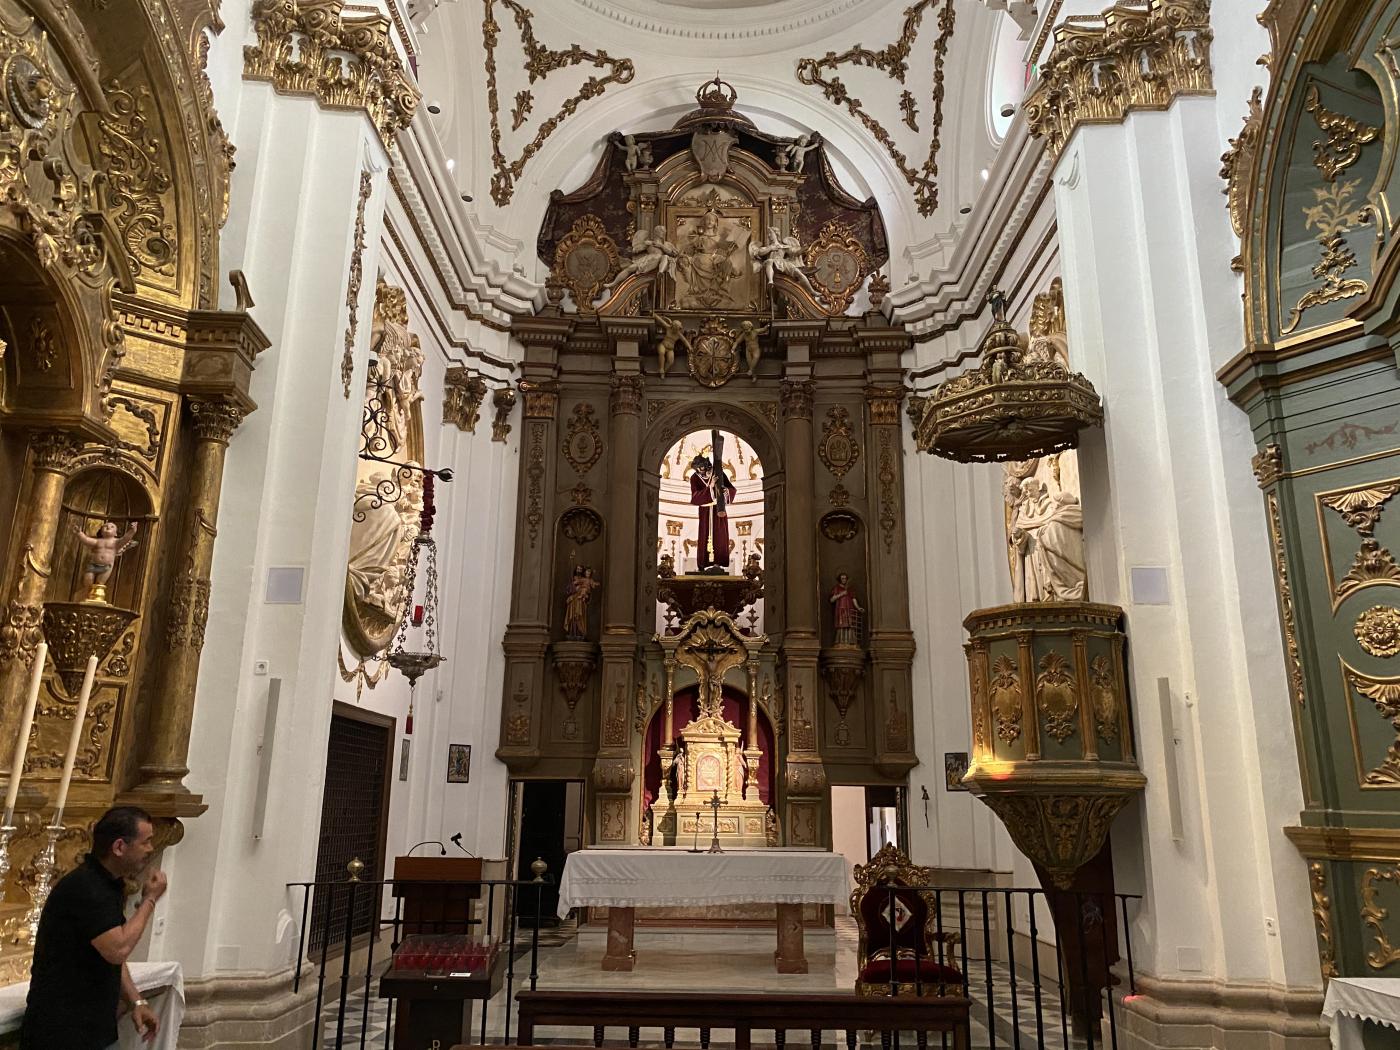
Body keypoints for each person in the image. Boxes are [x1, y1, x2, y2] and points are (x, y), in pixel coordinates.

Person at [22, 806, 167, 1049]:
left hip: (93, 1030)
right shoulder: (86, 888)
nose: (151, 850)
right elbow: (117, 949)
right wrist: (150, 899)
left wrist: (137, 1002)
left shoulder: (108, 884)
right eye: (146, 842)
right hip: (63, 1033)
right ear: (119, 847)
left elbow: (110, 958)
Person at [689, 455, 737, 572]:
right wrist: (710, 487)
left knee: (720, 534)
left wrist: (725, 491)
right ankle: (703, 564)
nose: (703, 470)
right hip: (705, 511)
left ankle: (718, 563)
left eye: (704, 467)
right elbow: (695, 497)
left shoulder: (717, 472)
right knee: (704, 534)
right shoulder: (694, 478)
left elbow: (731, 489)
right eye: (700, 468)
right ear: (696, 468)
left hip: (718, 509)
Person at [71, 520, 138, 597]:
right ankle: (87, 594)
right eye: (105, 526)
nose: (108, 527)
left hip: (107, 566)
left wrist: (133, 530)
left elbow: (126, 538)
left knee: (100, 583)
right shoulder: (97, 541)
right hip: (93, 565)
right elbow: (86, 540)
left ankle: (96, 597)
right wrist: (79, 533)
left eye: (112, 527)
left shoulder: (116, 542)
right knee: (88, 579)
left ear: (115, 533)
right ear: (101, 532)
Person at [829, 573, 863, 646]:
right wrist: (842, 594)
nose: (844, 580)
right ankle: (841, 642)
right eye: (842, 578)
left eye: (845, 578)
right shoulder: (836, 588)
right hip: (841, 610)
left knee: (850, 625)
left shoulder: (849, 589)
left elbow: (854, 599)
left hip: (849, 609)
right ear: (840, 579)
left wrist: (858, 607)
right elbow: (832, 600)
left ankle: (850, 642)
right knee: (842, 625)